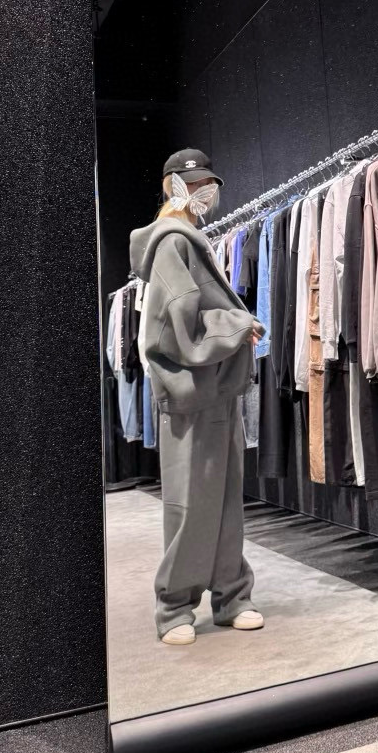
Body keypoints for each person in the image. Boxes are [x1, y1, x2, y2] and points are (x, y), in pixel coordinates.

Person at [130, 149, 265, 647]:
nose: (206, 191)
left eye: (210, 182)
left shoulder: (191, 239)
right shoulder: (171, 242)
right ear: (173, 185)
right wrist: (238, 324)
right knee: (188, 504)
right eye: (195, 183)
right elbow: (174, 327)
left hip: (216, 388)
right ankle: (174, 607)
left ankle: (232, 597)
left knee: (225, 501)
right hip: (190, 391)